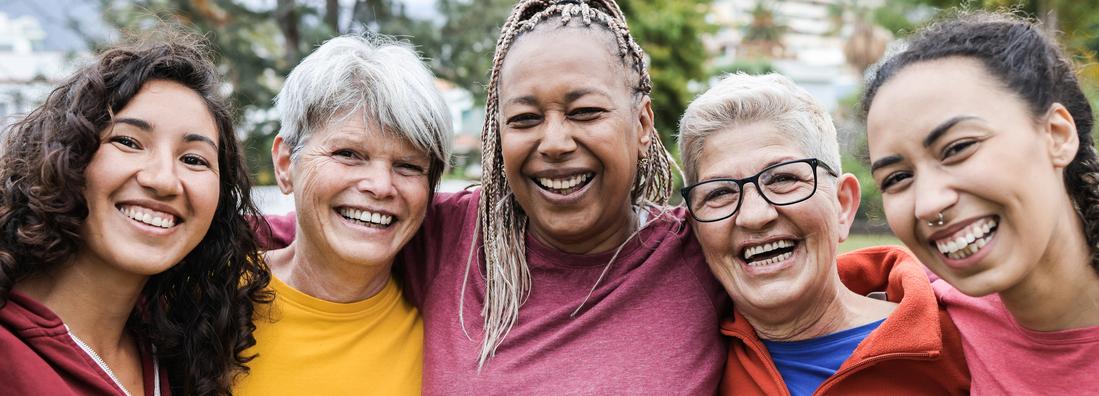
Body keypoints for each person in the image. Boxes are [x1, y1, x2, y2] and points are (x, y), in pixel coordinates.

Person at [262, 0, 727, 392]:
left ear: (643, 124)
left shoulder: (703, 252)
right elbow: (294, 229)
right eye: (524, 119)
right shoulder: (451, 237)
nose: (555, 142)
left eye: (586, 112)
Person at [0, 31, 270, 395]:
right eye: (128, 142)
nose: (163, 180)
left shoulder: (181, 351)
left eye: (193, 159)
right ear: (62, 156)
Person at [678, 72, 969, 395]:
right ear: (696, 231)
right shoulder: (681, 366)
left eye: (783, 179)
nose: (755, 215)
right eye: (719, 194)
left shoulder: (964, 342)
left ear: (843, 204)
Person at [863, 12, 1099, 394]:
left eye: (958, 148)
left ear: (1056, 135)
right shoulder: (920, 316)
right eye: (897, 178)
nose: (928, 204)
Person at [233, 35, 452, 395]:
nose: (381, 186)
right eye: (349, 154)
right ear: (286, 165)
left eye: (408, 166)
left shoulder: (449, 341)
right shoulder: (207, 299)